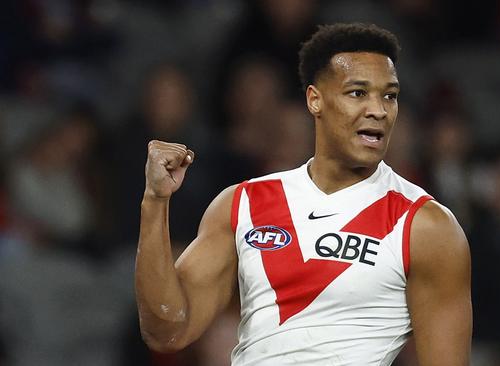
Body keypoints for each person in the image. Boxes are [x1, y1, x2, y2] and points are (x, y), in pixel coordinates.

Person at [135, 23, 472, 365]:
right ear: (315, 100)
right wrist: (154, 202)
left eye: (390, 95)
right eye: (358, 93)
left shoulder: (426, 226)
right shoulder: (242, 204)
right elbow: (167, 331)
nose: (378, 110)